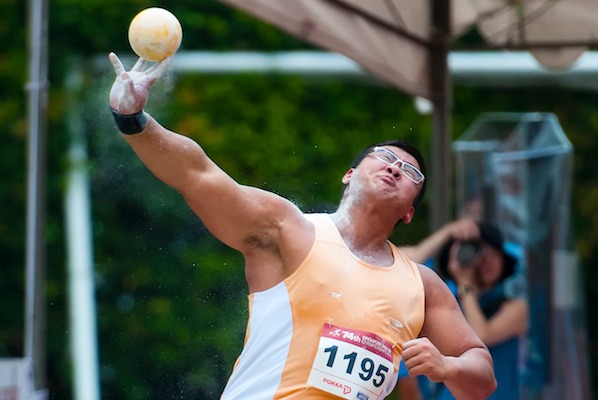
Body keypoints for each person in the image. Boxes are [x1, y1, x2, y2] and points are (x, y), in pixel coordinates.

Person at [107, 53, 497, 400]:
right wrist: (133, 119)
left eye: (411, 171)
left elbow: (481, 377)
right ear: (349, 175)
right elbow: (199, 175)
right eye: (383, 156)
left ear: (410, 211)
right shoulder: (288, 228)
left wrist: (448, 368)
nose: (395, 166)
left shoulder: (423, 286)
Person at [402, 219, 529, 400]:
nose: (487, 260)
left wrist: (465, 284)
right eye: (479, 253)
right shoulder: (443, 304)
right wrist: (448, 231)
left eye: (495, 253)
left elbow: (480, 337)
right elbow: (399, 266)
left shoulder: (516, 307)